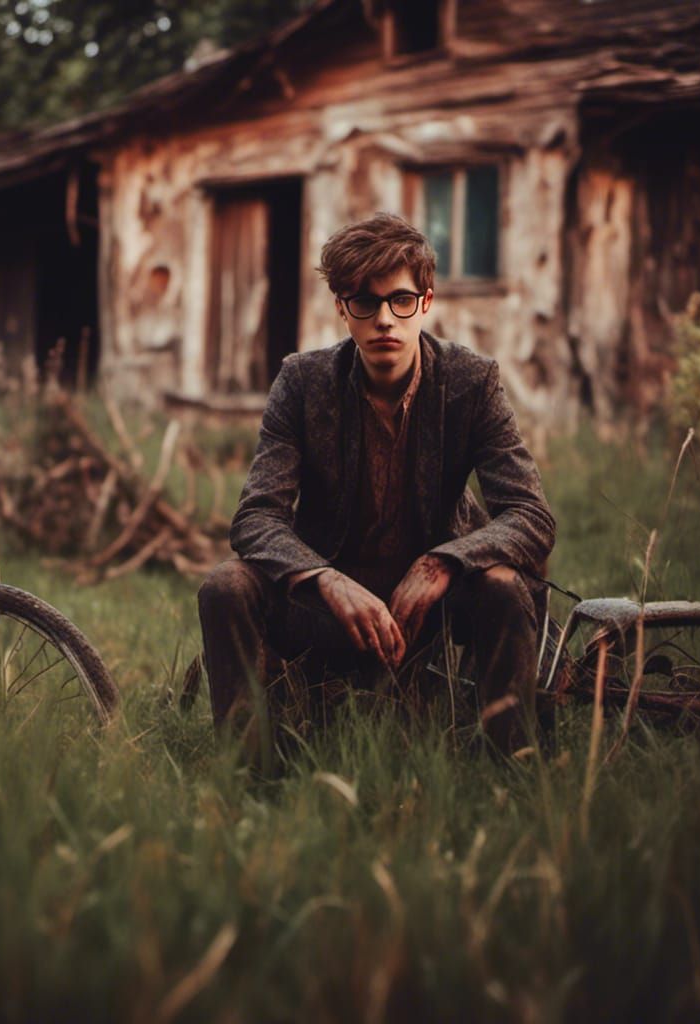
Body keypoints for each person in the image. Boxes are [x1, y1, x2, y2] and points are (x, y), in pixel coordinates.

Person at [197, 213, 555, 761]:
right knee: (225, 586)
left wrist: (445, 563)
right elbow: (256, 518)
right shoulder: (302, 381)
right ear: (342, 308)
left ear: (427, 302)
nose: (385, 319)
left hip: (434, 613)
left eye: (401, 300)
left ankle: (513, 768)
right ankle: (246, 774)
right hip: (326, 610)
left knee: (504, 586)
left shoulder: (471, 381)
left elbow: (530, 515)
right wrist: (323, 579)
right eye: (364, 302)